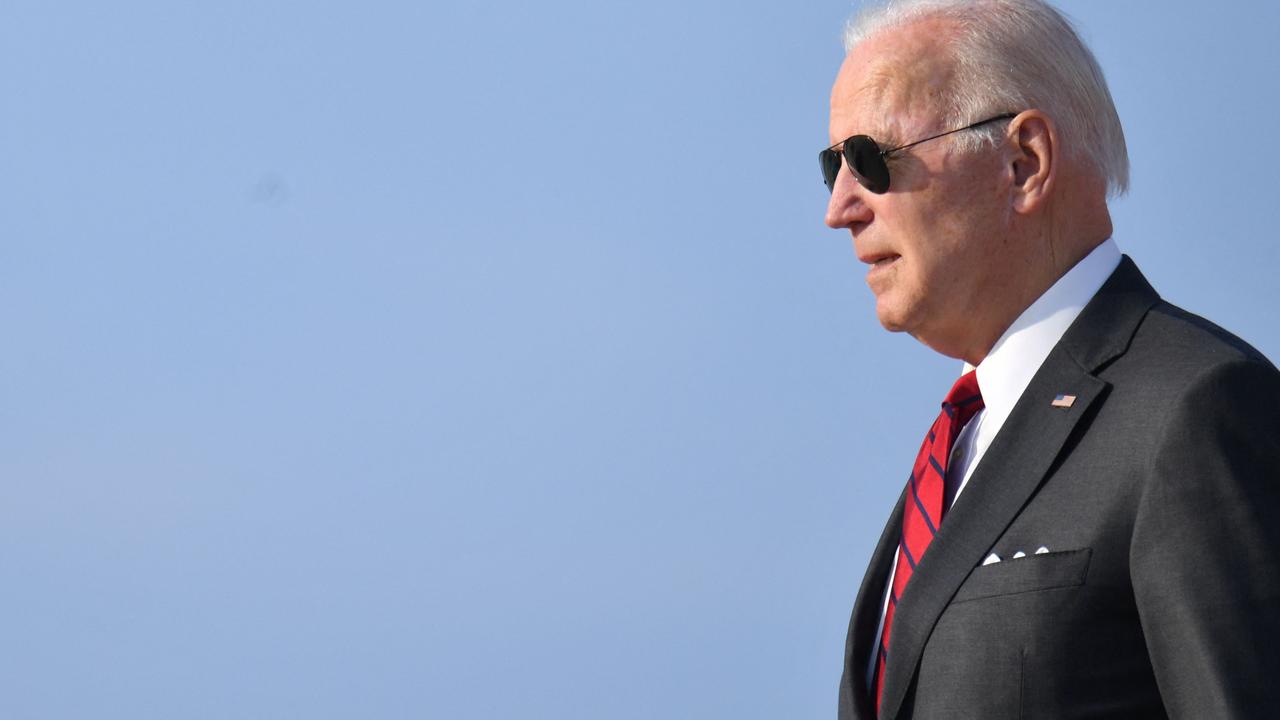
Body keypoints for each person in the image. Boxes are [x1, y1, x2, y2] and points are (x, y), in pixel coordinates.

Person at [819, 0, 1280, 718]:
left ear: (1023, 163)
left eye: (871, 160)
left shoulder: (1195, 408)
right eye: (833, 166)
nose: (842, 207)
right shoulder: (961, 446)